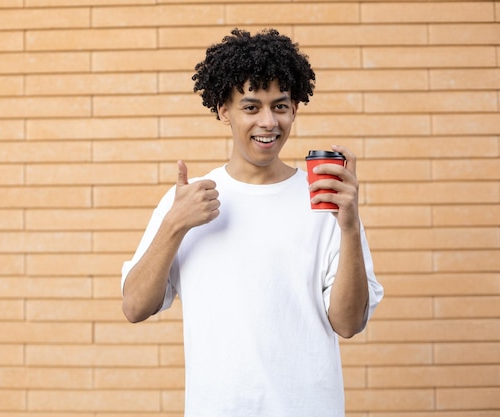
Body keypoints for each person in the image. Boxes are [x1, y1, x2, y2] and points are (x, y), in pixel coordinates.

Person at [121, 28, 383, 417]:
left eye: (280, 106)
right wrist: (175, 225)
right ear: (223, 110)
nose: (268, 122)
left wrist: (349, 226)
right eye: (251, 107)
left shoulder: (325, 200)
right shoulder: (189, 200)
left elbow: (348, 324)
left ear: (294, 108)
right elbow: (135, 307)